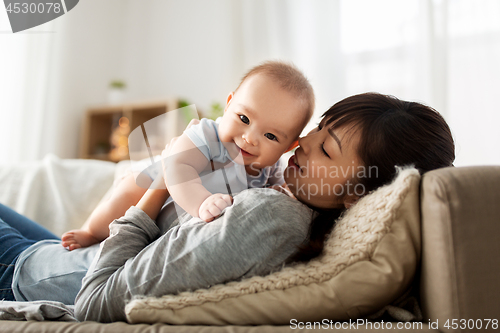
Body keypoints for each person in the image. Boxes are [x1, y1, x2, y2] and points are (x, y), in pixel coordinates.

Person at [0, 93, 454, 323]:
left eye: (326, 150)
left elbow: (97, 301)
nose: (300, 146)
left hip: (29, 273)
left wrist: (162, 183)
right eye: (316, 131)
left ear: (358, 193)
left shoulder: (270, 220)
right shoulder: (294, 198)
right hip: (57, 254)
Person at [61, 60, 315, 251]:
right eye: (244, 118)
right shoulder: (206, 133)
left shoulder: (270, 169)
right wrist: (202, 203)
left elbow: (280, 190)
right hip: (156, 184)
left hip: (173, 222)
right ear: (228, 105)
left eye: (271, 136)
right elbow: (178, 167)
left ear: (288, 147)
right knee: (127, 195)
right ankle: (91, 232)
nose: (250, 137)